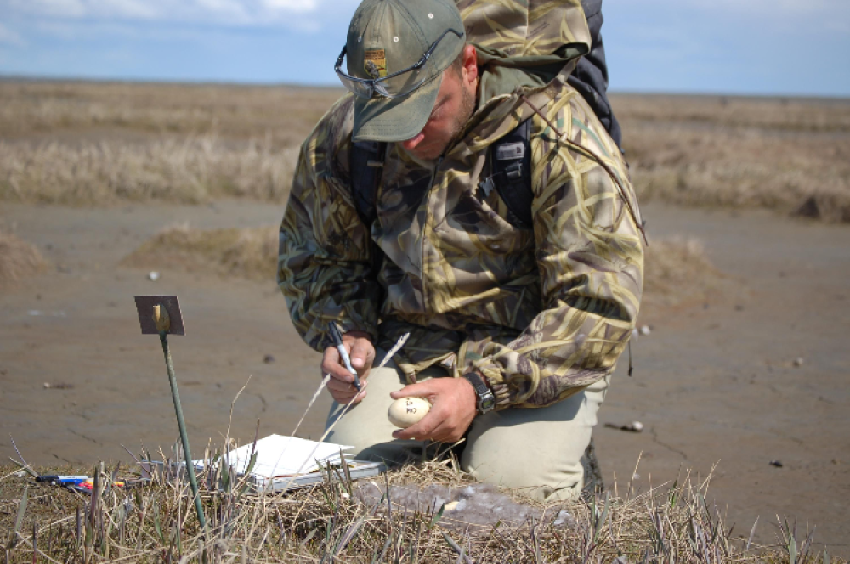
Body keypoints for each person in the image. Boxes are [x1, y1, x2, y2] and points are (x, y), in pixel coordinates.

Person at [278, 0, 644, 502]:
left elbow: (597, 306)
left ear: (469, 66)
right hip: (408, 346)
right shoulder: (343, 140)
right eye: (386, 116)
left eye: (423, 110)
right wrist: (348, 332)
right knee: (345, 476)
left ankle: (559, 460)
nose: (406, 138)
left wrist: (479, 390)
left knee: (510, 488)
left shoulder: (558, 134)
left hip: (531, 351)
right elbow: (315, 260)